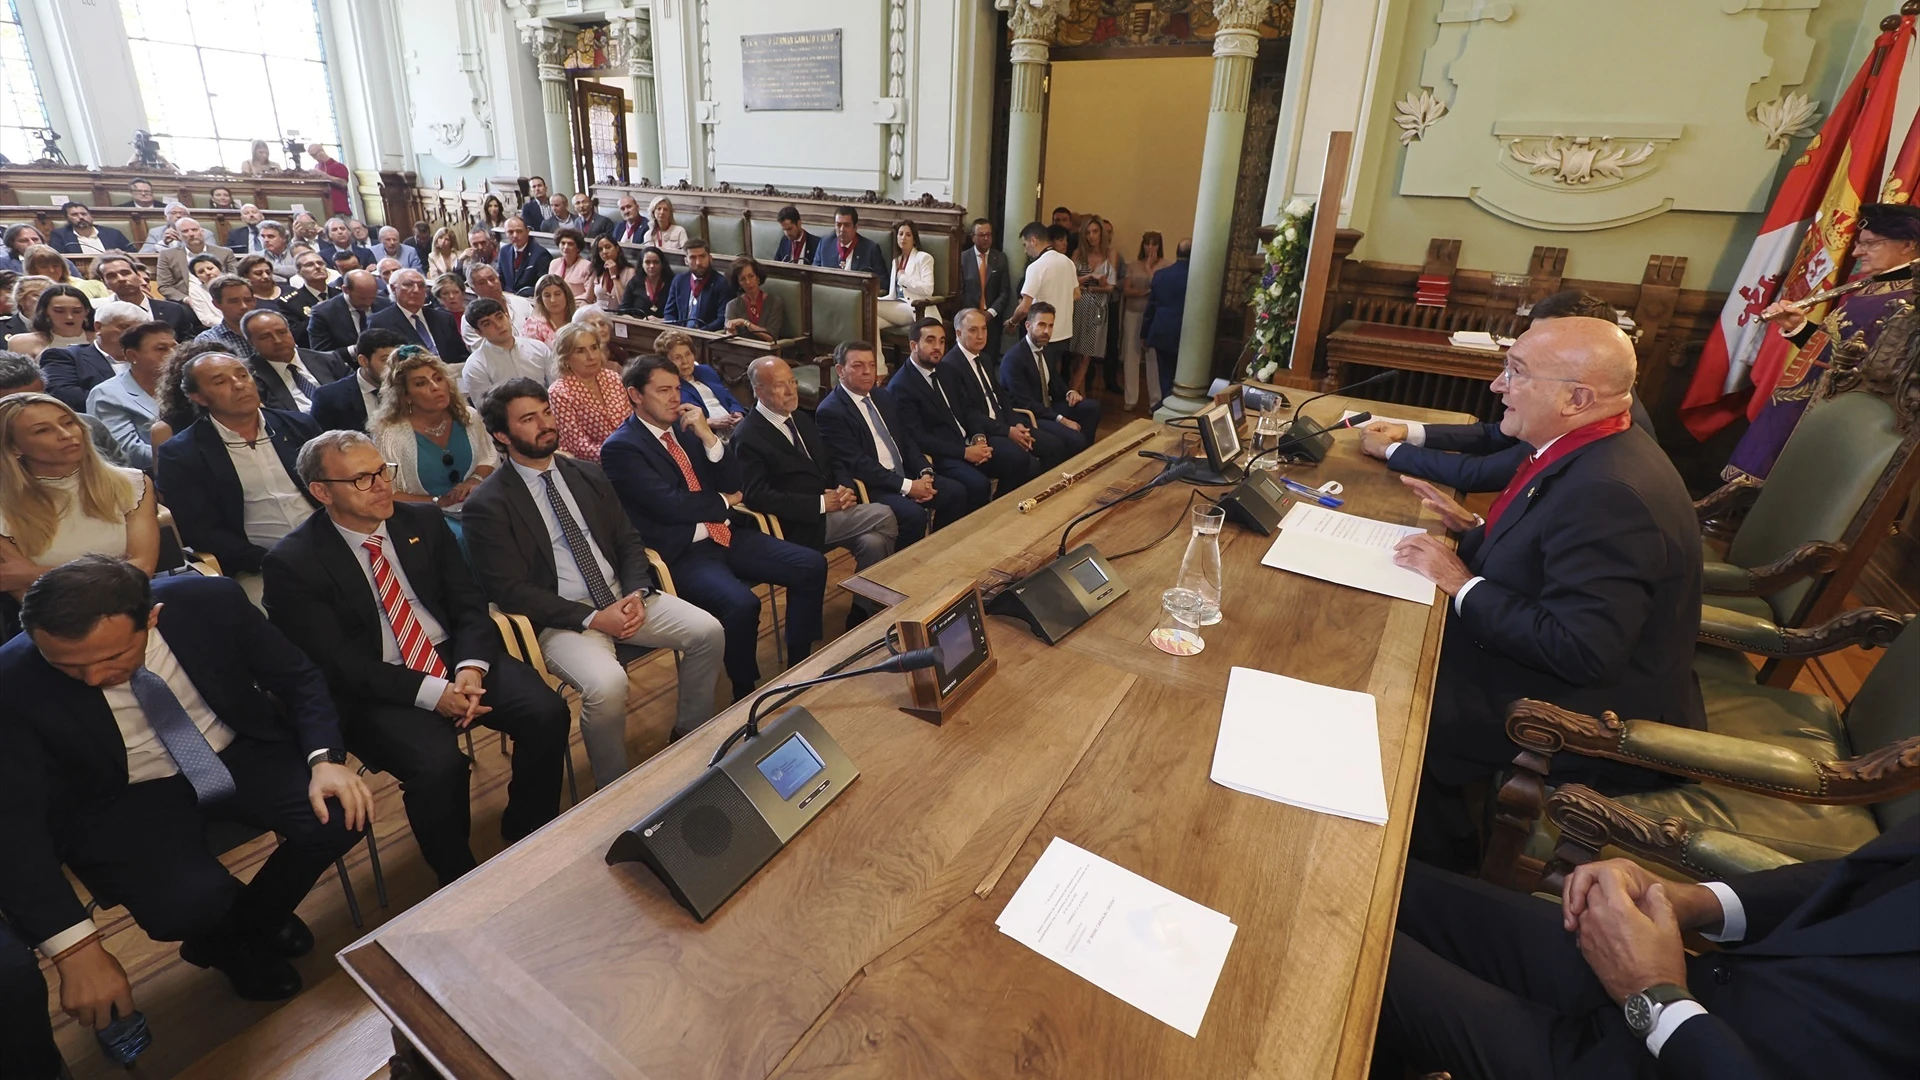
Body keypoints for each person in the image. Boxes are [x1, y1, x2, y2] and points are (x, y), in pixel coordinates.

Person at [0, 557, 372, 1006]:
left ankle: (236, 938)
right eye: (69, 667)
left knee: (341, 815)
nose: (94, 678)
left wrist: (325, 760)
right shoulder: (12, 678)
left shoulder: (210, 602)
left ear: (152, 616)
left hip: (238, 750)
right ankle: (246, 928)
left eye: (112, 657)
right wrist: (74, 948)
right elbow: (14, 820)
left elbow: (298, 678)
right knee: (182, 907)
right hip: (125, 794)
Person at [1386, 317, 1703, 803]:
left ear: (1576, 399)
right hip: (1555, 673)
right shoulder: (1593, 446)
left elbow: (1580, 650)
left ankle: (1431, 840)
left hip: (1583, 717)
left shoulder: (1609, 491)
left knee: (1391, 684)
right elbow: (1553, 555)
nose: (1498, 386)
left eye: (1515, 372)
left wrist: (1460, 581)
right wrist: (1473, 532)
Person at [1377, 820, 1920, 1079]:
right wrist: (1687, 901)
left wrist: (1655, 999)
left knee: (1359, 955)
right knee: (1388, 884)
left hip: (1691, 1057)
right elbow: (1858, 877)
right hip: (1697, 987)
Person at [262, 430, 569, 886]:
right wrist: (432, 693)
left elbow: (468, 604)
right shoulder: (294, 563)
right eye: (362, 480)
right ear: (322, 492)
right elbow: (337, 664)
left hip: (453, 654)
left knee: (546, 711)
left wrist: (469, 668)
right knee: (438, 766)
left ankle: (528, 826)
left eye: (383, 471)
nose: (383, 485)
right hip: (376, 683)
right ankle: (458, 875)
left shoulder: (421, 522)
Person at [466, 379, 728, 764]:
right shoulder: (487, 504)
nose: (545, 423)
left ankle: (689, 735)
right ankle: (614, 786)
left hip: (623, 594)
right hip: (562, 616)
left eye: (547, 412)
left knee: (709, 631)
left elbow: (628, 539)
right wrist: (592, 617)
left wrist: (637, 591)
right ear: (501, 435)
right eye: (529, 419)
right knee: (607, 684)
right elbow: (511, 591)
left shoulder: (586, 472)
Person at [601, 354, 828, 699]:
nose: (675, 398)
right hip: (683, 552)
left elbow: (737, 481)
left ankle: (799, 661)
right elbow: (669, 505)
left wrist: (709, 438)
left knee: (811, 565)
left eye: (677, 389)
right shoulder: (622, 447)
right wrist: (724, 500)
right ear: (635, 394)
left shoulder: (688, 428)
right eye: (663, 391)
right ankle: (744, 688)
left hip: (726, 534)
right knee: (742, 604)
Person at [1360, 291, 1656, 492]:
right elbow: (1495, 435)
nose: (1498, 384)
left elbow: (1482, 473)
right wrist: (1407, 430)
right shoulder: (1583, 397)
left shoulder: (1600, 421)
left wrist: (1388, 450)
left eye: (1548, 343)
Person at [1727, 202, 1920, 482]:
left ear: (1908, 244)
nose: (1856, 252)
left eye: (1870, 243)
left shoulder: (1912, 297)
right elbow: (1838, 350)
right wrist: (1798, 328)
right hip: (1809, 407)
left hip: (1850, 422)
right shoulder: (1875, 286)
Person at [154, 347, 320, 605]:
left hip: (330, 544)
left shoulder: (298, 425)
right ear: (198, 397)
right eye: (220, 381)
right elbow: (198, 529)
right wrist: (266, 559)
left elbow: (335, 486)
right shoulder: (182, 453)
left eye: (243, 375)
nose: (239, 385)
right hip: (257, 563)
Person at [737, 355, 899, 572]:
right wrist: (821, 504)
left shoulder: (800, 418)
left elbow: (832, 460)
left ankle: (865, 606)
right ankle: (898, 587)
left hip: (834, 509)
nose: (790, 391)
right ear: (758, 391)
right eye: (779, 385)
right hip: (798, 523)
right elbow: (757, 496)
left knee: (874, 543)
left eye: (792, 382)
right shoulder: (748, 436)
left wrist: (845, 487)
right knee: (884, 513)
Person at [0, 394, 158, 594]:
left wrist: (36, 574)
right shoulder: (5, 506)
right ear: (13, 447)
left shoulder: (132, 484)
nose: (65, 434)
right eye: (42, 431)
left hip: (134, 606)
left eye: (68, 423)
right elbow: (25, 594)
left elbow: (142, 569)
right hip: (54, 619)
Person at [817, 340, 968, 544]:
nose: (867, 372)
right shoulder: (831, 411)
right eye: (858, 366)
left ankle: (938, 549)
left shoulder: (882, 396)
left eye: (871, 365)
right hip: (874, 486)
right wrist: (908, 486)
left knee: (955, 493)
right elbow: (859, 464)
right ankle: (901, 567)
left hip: (906, 474)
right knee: (914, 515)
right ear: (840, 370)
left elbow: (906, 439)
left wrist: (925, 472)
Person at [891, 316, 1030, 511]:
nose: (938, 347)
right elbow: (920, 438)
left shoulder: (945, 370)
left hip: (968, 442)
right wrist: (965, 453)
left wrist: (979, 438)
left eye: (941, 341)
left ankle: (999, 515)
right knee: (977, 485)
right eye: (930, 341)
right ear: (914, 345)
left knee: (1020, 460)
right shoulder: (901, 386)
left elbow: (967, 411)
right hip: (943, 454)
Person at [369, 347, 496, 524]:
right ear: (405, 395)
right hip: (426, 520)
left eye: (438, 379)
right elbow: (390, 491)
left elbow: (489, 457)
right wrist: (437, 502)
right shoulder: (390, 435)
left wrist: (475, 480)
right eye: (421, 383)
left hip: (480, 507)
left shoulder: (469, 416)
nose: (435, 387)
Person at [942, 306, 1060, 470]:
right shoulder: (950, 366)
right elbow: (969, 413)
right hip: (983, 433)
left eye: (984, 329)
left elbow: (1001, 397)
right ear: (959, 333)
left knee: (1053, 445)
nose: (981, 336)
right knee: (1026, 462)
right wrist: (1008, 431)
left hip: (1004, 424)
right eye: (973, 330)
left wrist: (1016, 423)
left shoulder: (984, 358)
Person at [1001, 303, 1100, 456]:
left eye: (1050, 326)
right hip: (1030, 414)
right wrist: (1062, 420)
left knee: (1092, 408)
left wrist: (1069, 392)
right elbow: (1025, 402)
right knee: (1075, 439)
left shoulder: (1046, 350)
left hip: (1048, 406)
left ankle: (1082, 459)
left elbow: (1054, 380)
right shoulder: (1013, 359)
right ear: (1028, 326)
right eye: (1041, 325)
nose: (1046, 331)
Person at [0, 352, 127, 469]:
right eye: (13, 406)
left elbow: (129, 480)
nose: (30, 410)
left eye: (39, 398)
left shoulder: (88, 426)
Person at [88, 319, 175, 470]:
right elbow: (127, 451)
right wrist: (185, 456)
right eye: (161, 349)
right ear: (132, 356)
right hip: (144, 477)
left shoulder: (184, 384)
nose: (173, 354)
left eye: (175, 347)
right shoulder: (107, 395)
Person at [243, 309, 351, 413]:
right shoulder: (250, 377)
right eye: (265, 337)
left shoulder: (328, 360)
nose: (278, 341)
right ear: (251, 343)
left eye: (282, 332)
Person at [547, 321, 627, 462]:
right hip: (592, 464)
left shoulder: (612, 377)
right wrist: (619, 454)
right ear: (565, 358)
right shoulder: (559, 392)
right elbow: (578, 445)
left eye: (594, 348)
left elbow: (631, 420)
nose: (591, 356)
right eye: (580, 351)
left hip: (630, 452)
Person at [40, 294, 137, 407]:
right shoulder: (64, 356)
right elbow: (64, 394)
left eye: (139, 330)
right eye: (124, 327)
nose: (134, 335)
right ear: (99, 327)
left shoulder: (151, 357)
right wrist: (131, 403)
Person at [1008, 222, 1080, 371]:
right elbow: (1076, 294)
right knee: (1052, 376)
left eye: (1025, 244)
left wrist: (1012, 322)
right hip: (1064, 334)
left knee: (1037, 378)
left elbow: (1024, 307)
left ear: (1033, 240)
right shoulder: (1068, 262)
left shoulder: (1037, 266)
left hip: (1043, 334)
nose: (1025, 251)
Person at [462, 296, 555, 405]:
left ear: (507, 316)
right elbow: (487, 411)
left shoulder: (538, 348)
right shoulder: (476, 366)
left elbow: (554, 387)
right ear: (479, 332)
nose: (498, 325)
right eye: (487, 324)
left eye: (499, 317)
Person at [312, 328, 404, 434]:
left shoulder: (406, 387)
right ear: (363, 361)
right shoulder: (330, 398)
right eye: (385, 360)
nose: (393, 367)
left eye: (396, 360)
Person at [91, 252, 201, 340]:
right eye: (111, 276)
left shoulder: (173, 310)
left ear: (139, 276)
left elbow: (187, 344)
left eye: (125, 273)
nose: (121, 279)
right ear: (105, 283)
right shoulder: (101, 316)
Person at [370, 269, 469, 365]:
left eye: (421, 286)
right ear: (393, 288)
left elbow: (462, 356)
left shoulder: (444, 318)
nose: (416, 290)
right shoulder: (381, 322)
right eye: (408, 285)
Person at [1069, 215, 1121, 396]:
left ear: (1102, 233)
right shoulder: (1078, 254)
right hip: (1078, 305)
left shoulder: (1111, 254)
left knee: (1087, 354)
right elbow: (1070, 280)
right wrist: (1091, 280)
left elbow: (1111, 286)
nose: (1092, 236)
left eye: (1095, 232)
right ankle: (1079, 396)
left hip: (1098, 306)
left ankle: (1072, 392)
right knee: (1076, 352)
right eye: (1088, 232)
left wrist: (1090, 287)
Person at [658, 329, 744, 436]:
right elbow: (675, 419)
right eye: (677, 357)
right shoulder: (669, 387)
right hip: (706, 434)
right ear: (666, 362)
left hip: (733, 426)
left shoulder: (705, 371)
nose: (685, 361)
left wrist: (737, 412)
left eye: (688, 354)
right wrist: (709, 422)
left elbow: (727, 395)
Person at [1140, 238, 1191, 403]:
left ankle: (1166, 403)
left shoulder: (1161, 276)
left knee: (1165, 373)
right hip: (1187, 333)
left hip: (1162, 329)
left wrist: (1144, 333)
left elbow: (1151, 308)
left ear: (1176, 253)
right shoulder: (1198, 278)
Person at [1120, 231, 1164, 411]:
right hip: (1133, 312)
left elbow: (1159, 290)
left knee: (1153, 357)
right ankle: (1130, 398)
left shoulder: (1165, 266)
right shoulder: (1133, 265)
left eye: (1154, 244)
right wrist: (1144, 293)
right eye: (1147, 244)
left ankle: (1155, 401)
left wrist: (1149, 269)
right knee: (1131, 355)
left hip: (1153, 316)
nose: (1150, 248)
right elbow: (1127, 290)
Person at [959, 219, 1012, 359]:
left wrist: (990, 313)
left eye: (988, 234)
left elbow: (1005, 291)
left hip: (992, 320)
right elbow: (960, 291)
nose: (986, 238)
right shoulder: (962, 258)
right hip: (968, 319)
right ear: (973, 237)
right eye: (982, 235)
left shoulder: (1000, 258)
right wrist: (971, 314)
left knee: (990, 360)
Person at [6, 281, 92, 362]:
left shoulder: (100, 339)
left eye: (76, 311)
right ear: (46, 312)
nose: (69, 317)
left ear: (86, 312)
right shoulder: (22, 342)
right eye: (59, 311)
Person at [307, 269, 386, 353]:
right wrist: (355, 350)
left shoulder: (385, 304)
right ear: (345, 289)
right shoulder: (323, 313)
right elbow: (321, 353)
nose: (368, 303)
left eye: (372, 297)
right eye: (362, 298)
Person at [663, 238, 733, 332]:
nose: (698, 262)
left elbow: (721, 319)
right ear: (686, 261)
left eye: (702, 256)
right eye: (692, 257)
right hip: (679, 335)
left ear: (710, 258)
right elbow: (669, 312)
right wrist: (678, 331)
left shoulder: (722, 283)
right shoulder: (679, 281)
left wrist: (698, 334)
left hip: (706, 337)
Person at [155, 219, 234, 302]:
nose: (191, 234)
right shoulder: (167, 255)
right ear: (179, 235)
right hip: (184, 302)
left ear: (202, 232)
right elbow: (164, 286)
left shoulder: (225, 253)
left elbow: (235, 279)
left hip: (221, 299)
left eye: (194, 230)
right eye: (185, 231)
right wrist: (186, 299)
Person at [878, 221, 934, 332]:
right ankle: (877, 350)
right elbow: (892, 295)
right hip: (897, 307)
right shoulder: (896, 261)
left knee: (869, 306)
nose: (903, 238)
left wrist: (903, 279)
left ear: (914, 239)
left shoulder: (923, 258)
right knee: (872, 322)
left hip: (914, 308)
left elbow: (928, 289)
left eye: (908, 235)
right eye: (900, 234)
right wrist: (877, 299)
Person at [463, 263, 535, 348]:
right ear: (473, 289)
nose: (490, 285)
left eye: (492, 279)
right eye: (482, 283)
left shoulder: (521, 302)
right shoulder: (470, 320)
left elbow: (538, 333)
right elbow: (485, 352)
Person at [193, 274, 261, 359]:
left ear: (254, 301)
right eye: (234, 301)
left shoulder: (271, 329)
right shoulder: (208, 340)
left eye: (248, 300)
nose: (244, 306)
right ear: (217, 304)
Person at [281, 249, 337, 349]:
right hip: (315, 353)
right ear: (299, 273)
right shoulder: (290, 302)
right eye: (309, 265)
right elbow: (296, 335)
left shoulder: (340, 294)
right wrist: (320, 313)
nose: (317, 267)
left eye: (320, 263)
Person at [722, 256, 785, 343]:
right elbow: (729, 332)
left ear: (758, 277)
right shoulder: (732, 305)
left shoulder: (775, 302)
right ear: (738, 283)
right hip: (741, 350)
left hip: (766, 351)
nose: (748, 282)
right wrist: (730, 332)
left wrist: (745, 323)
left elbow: (771, 337)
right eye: (742, 279)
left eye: (751, 276)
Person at [812, 206, 886, 276]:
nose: (842, 230)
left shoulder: (871, 249)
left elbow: (883, 283)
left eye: (847, 225)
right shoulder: (824, 244)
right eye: (838, 225)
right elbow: (813, 276)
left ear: (856, 227)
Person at [48, 201, 132, 255]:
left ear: (91, 216)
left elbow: (132, 253)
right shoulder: (60, 235)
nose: (81, 217)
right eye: (74, 215)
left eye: (84, 214)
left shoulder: (113, 233)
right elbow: (59, 257)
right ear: (67, 218)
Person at [619, 246, 674, 321]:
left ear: (662, 264)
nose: (651, 266)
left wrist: (661, 321)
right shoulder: (634, 282)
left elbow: (678, 316)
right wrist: (639, 322)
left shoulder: (673, 284)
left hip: (665, 328)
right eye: (647, 262)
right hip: (638, 327)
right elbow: (623, 311)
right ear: (642, 264)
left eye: (656, 262)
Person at [586, 235, 635, 310]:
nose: (604, 252)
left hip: (620, 317)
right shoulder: (596, 270)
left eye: (608, 247)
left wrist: (614, 276)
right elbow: (588, 300)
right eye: (600, 249)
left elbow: (624, 303)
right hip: (597, 314)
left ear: (617, 248)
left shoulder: (630, 271)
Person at [525, 273, 575, 345]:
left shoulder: (577, 320)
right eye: (547, 296)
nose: (553, 300)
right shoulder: (533, 326)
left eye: (557, 294)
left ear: (566, 295)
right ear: (540, 299)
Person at [550, 227, 594, 302]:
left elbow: (589, 295)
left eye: (570, 244)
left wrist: (567, 301)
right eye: (563, 243)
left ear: (578, 248)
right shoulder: (554, 263)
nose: (566, 247)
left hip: (577, 305)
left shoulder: (587, 266)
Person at [308, 143, 351, 218]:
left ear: (322, 151)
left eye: (315, 154)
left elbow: (343, 183)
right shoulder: (317, 167)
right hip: (325, 210)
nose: (314, 158)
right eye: (311, 156)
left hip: (339, 211)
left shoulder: (338, 166)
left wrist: (324, 175)